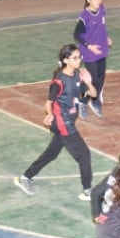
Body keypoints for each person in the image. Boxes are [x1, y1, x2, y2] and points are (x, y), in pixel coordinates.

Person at [14, 44, 97, 201]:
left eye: (80, 57)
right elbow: (48, 102)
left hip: (68, 120)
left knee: (51, 153)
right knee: (84, 154)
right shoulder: (59, 81)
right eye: (75, 58)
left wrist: (89, 82)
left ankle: (25, 178)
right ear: (66, 60)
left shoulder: (78, 75)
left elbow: (93, 93)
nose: (79, 60)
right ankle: (88, 190)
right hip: (62, 122)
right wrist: (51, 114)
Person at [73, 0, 112, 118]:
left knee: (101, 78)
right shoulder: (85, 16)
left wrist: (106, 38)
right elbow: (77, 35)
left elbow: (101, 27)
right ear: (88, 0)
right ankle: (83, 102)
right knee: (94, 79)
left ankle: (95, 102)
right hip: (89, 51)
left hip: (101, 48)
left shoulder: (102, 10)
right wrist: (89, 46)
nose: (98, 1)